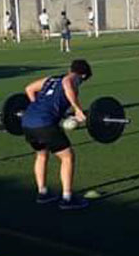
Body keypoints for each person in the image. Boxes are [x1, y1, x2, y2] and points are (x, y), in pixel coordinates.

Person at [21, 59, 92, 210]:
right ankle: (67, 198)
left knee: (41, 154)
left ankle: (43, 193)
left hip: (28, 121)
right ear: (83, 76)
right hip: (44, 123)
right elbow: (67, 82)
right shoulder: (72, 79)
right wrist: (78, 109)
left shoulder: (50, 79)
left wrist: (38, 107)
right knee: (67, 157)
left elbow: (29, 89)